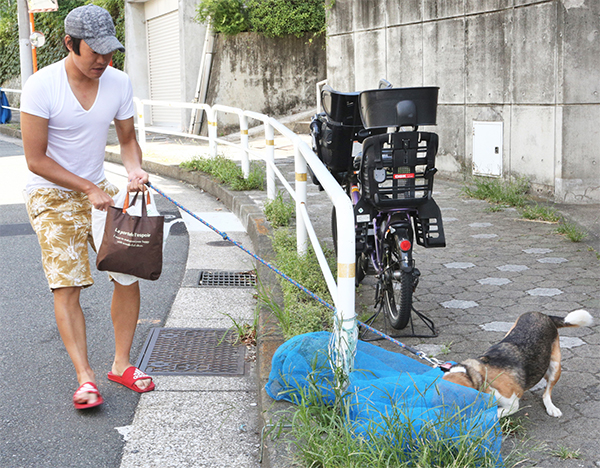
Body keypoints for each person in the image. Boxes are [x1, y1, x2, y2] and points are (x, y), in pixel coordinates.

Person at [21, 4, 155, 410]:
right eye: (93, 51)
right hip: (49, 191)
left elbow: (128, 139)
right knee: (68, 282)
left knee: (128, 273)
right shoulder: (41, 86)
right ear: (69, 44)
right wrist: (85, 187)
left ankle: (121, 364)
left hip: (99, 188)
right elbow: (36, 158)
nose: (102, 60)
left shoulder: (118, 83)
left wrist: (134, 171)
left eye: (108, 51)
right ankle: (85, 377)